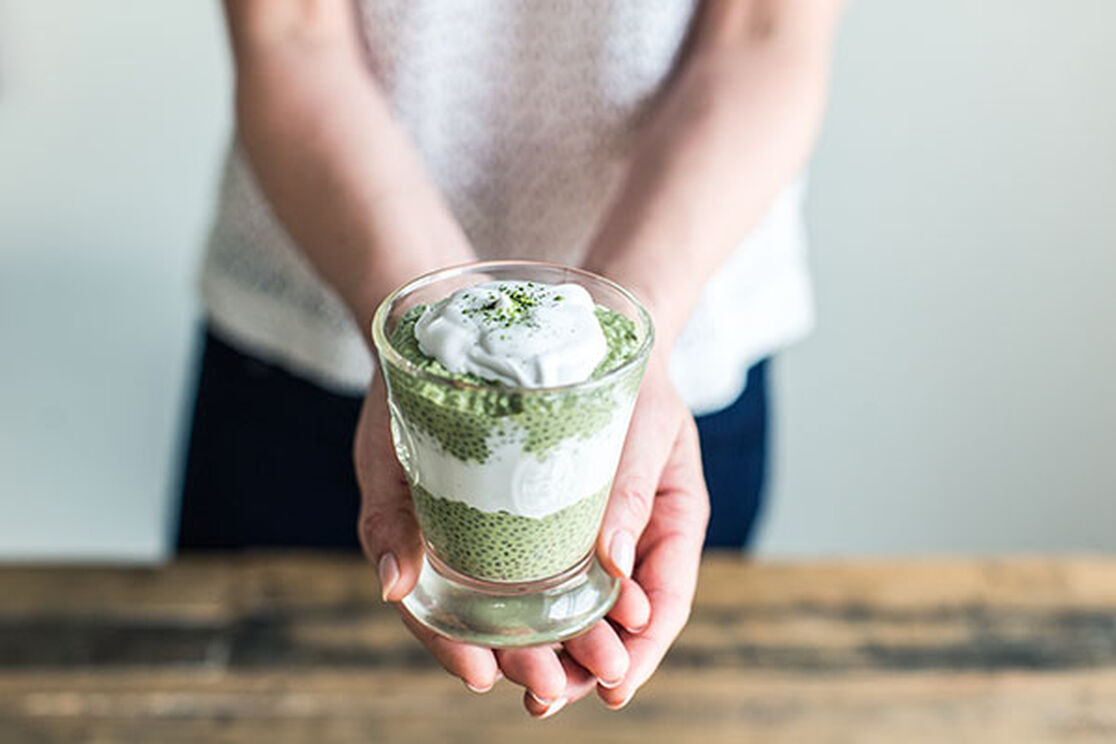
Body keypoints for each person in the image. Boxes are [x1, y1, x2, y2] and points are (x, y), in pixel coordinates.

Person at [178, 0, 844, 718]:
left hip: (661, 373)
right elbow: (292, 30)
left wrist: (628, 321)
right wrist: (418, 316)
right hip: (316, 336)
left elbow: (764, 33)